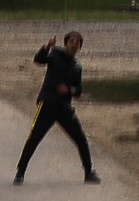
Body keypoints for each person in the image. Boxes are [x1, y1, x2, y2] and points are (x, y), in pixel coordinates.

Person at [13, 30, 100, 185]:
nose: (74, 44)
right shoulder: (55, 54)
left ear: (80, 47)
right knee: (34, 137)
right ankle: (20, 172)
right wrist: (47, 47)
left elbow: (78, 90)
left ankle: (88, 172)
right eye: (72, 41)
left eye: (77, 42)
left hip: (64, 107)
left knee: (80, 137)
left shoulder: (77, 66)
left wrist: (69, 90)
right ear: (66, 43)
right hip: (47, 103)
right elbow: (38, 60)